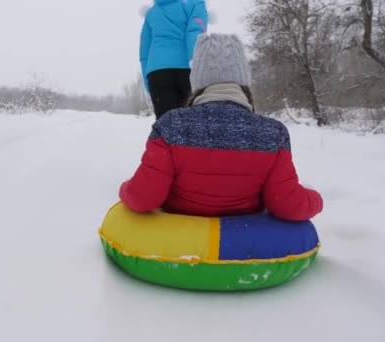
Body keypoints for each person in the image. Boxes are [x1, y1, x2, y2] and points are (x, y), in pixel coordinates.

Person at [120, 33, 323, 222]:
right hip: (245, 249)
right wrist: (315, 199)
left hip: (182, 248)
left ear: (198, 80)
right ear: (244, 81)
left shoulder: (170, 126)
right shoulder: (273, 134)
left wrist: (125, 188)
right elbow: (287, 204)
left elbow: (143, 198)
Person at [140, 0, 208, 120]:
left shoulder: (151, 13)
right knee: (193, 124)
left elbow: (144, 49)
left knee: (166, 125)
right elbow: (195, 32)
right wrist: (195, 62)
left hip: (157, 73)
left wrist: (147, 83)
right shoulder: (195, 4)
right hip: (186, 71)